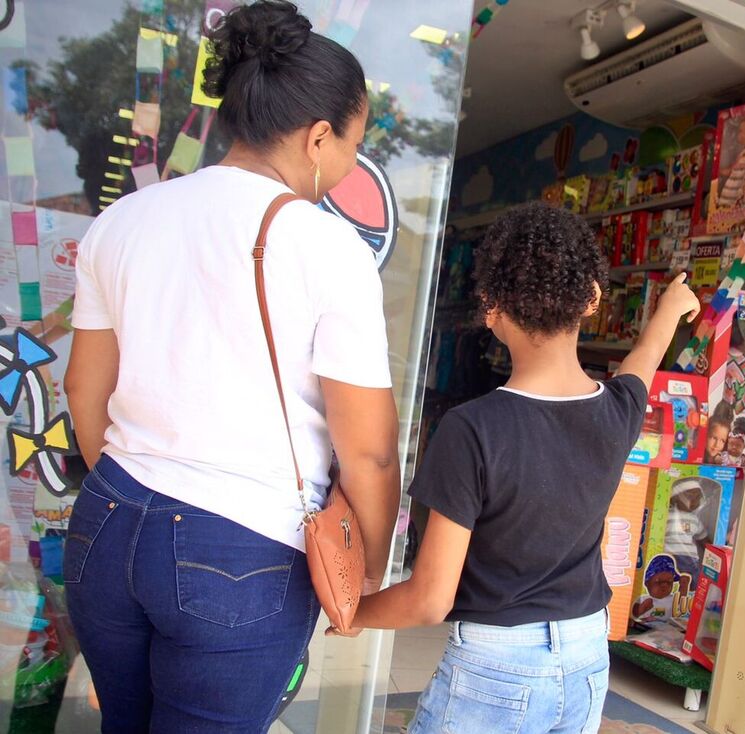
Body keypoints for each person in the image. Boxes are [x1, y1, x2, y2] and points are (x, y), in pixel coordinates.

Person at [63, 2, 400, 731]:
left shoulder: (121, 220)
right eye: (352, 143)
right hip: (241, 549)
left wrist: (138, 487)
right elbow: (367, 450)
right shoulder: (328, 249)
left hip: (107, 522)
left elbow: (84, 389)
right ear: (318, 138)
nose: (347, 164)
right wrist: (363, 572)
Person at [332, 202, 700, 733]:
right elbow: (644, 357)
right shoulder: (619, 409)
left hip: (495, 668)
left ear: (491, 309)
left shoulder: (473, 430)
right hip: (588, 657)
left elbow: (431, 600)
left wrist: (353, 614)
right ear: (593, 299)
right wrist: (669, 307)